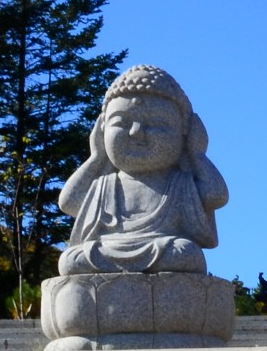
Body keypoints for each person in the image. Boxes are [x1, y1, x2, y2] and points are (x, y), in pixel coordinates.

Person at [56, 65, 229, 276]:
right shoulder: (104, 184)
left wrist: (198, 154)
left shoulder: (180, 182)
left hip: (164, 248)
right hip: (106, 248)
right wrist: (96, 157)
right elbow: (68, 202)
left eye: (156, 123)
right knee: (72, 259)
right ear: (102, 131)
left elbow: (217, 195)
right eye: (121, 121)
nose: (136, 133)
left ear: (184, 134)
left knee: (186, 253)